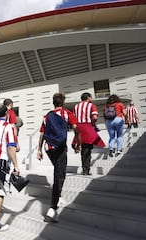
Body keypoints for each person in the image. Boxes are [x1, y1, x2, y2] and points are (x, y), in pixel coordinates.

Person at [37, 93, 81, 222]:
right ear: (63, 102)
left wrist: (39, 149)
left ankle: (58, 195)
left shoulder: (47, 116)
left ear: (53, 102)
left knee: (58, 171)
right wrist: (78, 142)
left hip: (48, 148)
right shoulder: (67, 113)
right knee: (60, 174)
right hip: (60, 147)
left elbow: (41, 134)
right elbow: (75, 128)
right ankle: (53, 208)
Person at [73, 92, 105, 175]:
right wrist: (93, 123)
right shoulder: (91, 105)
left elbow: (73, 119)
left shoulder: (76, 106)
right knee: (87, 150)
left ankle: (85, 168)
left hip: (78, 127)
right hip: (87, 127)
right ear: (88, 97)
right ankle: (86, 170)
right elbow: (94, 117)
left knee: (83, 148)